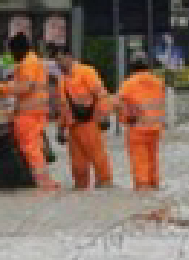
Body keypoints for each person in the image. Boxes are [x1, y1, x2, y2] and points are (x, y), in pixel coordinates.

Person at [0, 32, 58, 190]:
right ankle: (45, 181)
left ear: (18, 49)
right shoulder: (32, 61)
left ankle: (43, 182)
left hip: (28, 115)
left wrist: (4, 88)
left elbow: (26, 87)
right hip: (35, 113)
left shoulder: (27, 63)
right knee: (35, 148)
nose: (11, 55)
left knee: (30, 148)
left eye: (12, 51)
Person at [55, 49, 114, 190]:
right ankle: (81, 188)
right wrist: (60, 128)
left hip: (89, 124)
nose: (58, 64)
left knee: (98, 157)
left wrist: (104, 115)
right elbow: (63, 107)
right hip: (73, 127)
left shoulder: (86, 72)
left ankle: (105, 184)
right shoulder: (61, 80)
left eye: (60, 59)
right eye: (57, 61)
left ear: (69, 57)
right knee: (77, 164)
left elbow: (101, 94)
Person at [115, 52, 167, 190]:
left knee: (140, 162)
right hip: (155, 128)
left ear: (131, 66)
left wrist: (125, 117)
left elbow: (118, 103)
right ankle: (154, 186)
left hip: (137, 129)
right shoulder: (158, 82)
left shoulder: (129, 83)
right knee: (152, 160)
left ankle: (142, 189)